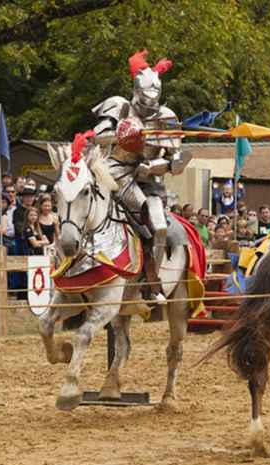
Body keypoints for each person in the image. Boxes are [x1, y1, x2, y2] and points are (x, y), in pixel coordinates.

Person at [91, 50, 190, 303]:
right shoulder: (118, 105)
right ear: (135, 93)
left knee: (158, 226)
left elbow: (177, 161)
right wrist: (125, 133)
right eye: (143, 101)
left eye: (152, 102)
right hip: (115, 173)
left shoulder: (166, 117)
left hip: (149, 181)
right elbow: (98, 136)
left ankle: (151, 280)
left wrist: (155, 166)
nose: (147, 107)